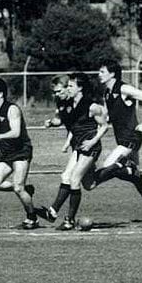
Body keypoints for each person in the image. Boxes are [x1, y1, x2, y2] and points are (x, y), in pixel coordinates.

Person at [88, 63, 142, 217]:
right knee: (135, 178)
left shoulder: (124, 89)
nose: (99, 74)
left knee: (109, 166)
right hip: (122, 140)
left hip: (131, 139)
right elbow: (107, 115)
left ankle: (140, 177)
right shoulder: (107, 92)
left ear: (112, 74)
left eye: (102, 71)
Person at [42, 73, 108, 231]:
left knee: (74, 180)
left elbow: (104, 126)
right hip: (78, 147)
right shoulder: (68, 102)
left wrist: (92, 141)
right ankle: (53, 212)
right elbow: (64, 121)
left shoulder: (91, 106)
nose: (68, 89)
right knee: (79, 180)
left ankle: (69, 220)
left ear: (80, 88)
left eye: (71, 86)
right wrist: (52, 123)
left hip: (90, 147)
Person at [0, 78, 43, 229]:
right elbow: (2, 132)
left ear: (1, 94)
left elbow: (15, 133)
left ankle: (32, 218)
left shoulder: (12, 109)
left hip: (21, 151)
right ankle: (26, 190)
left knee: (19, 188)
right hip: (6, 153)